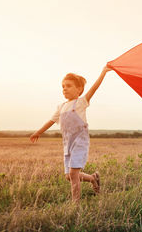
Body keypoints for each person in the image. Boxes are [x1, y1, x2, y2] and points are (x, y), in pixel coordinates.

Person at [30, 65, 112, 202]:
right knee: (69, 176)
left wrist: (103, 72)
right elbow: (51, 120)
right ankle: (93, 178)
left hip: (80, 143)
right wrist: (38, 132)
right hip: (67, 144)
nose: (64, 89)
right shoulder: (61, 107)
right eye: (63, 86)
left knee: (74, 174)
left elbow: (94, 88)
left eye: (68, 86)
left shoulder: (81, 103)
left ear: (79, 89)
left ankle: (75, 205)